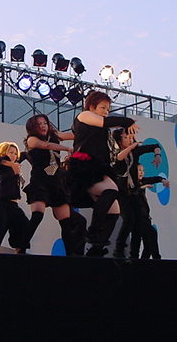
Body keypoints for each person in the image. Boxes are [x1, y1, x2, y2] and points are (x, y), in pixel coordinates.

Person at [67, 91, 138, 257]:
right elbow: (107, 122)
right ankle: (93, 233)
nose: (106, 111)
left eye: (108, 109)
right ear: (92, 107)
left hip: (100, 166)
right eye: (103, 108)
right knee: (111, 190)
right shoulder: (84, 115)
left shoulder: (101, 128)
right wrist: (128, 121)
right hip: (85, 166)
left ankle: (96, 248)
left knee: (114, 211)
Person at [21, 114, 83, 255]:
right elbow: (46, 146)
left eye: (45, 123)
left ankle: (71, 255)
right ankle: (21, 248)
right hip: (40, 182)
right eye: (39, 124)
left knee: (66, 222)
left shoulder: (54, 135)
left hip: (55, 183)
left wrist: (89, 132)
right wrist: (66, 148)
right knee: (37, 216)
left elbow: (74, 135)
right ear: (32, 127)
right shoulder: (32, 140)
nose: (43, 126)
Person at [111, 128, 162, 258]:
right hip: (121, 193)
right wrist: (131, 147)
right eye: (126, 138)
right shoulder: (114, 152)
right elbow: (119, 158)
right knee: (129, 219)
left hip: (133, 192)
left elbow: (155, 146)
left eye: (130, 137)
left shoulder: (135, 151)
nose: (129, 140)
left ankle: (134, 255)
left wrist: (157, 155)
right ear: (119, 140)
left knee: (138, 225)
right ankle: (119, 250)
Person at [134, 164, 169, 260]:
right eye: (139, 170)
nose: (141, 173)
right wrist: (142, 187)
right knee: (152, 233)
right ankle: (156, 259)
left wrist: (163, 180)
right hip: (137, 218)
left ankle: (144, 262)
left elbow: (154, 178)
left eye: (143, 170)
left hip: (145, 217)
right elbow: (132, 192)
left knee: (148, 244)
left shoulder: (143, 181)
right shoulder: (131, 183)